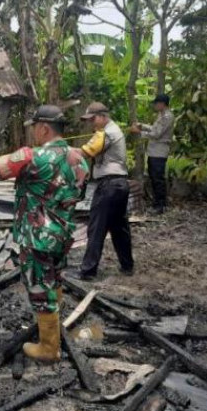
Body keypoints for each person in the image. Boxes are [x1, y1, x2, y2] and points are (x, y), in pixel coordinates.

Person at [0, 105, 88, 363]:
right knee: (55, 278)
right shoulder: (80, 158)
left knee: (39, 286)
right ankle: (53, 324)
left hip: (37, 236)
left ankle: (49, 347)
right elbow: (77, 193)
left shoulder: (32, 156)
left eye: (34, 128)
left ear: (43, 128)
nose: (33, 133)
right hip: (62, 232)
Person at [75, 102, 133, 280]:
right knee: (119, 227)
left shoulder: (105, 132)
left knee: (96, 227)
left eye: (93, 119)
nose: (92, 123)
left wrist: (62, 150)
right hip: (120, 184)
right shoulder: (114, 130)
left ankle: (88, 271)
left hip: (109, 185)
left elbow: (85, 152)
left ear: (102, 116)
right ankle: (127, 265)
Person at [130, 94, 174, 214]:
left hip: (159, 151)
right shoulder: (161, 115)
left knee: (158, 178)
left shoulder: (167, 116)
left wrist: (139, 132)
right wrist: (142, 126)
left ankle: (160, 205)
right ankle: (157, 202)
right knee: (154, 177)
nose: (155, 105)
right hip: (154, 151)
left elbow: (156, 134)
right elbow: (154, 128)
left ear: (162, 104)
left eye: (156, 103)